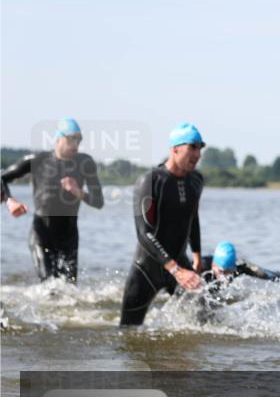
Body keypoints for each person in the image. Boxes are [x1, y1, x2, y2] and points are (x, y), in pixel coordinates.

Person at [119, 123, 205, 326]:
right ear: (175, 149)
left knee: (204, 322)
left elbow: (192, 217)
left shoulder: (196, 181)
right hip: (147, 268)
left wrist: (197, 257)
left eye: (200, 148)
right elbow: (144, 233)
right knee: (128, 333)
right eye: (193, 147)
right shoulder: (150, 181)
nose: (198, 154)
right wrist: (176, 271)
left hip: (181, 265)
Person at [1, 118, 104, 283]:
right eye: (71, 138)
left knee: (69, 290)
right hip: (42, 233)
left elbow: (99, 202)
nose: (75, 144)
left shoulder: (85, 162)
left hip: (69, 236)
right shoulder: (37, 160)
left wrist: (79, 193)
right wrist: (9, 200)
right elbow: (2, 178)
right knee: (49, 285)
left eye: (79, 139)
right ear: (58, 138)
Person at [200, 241, 280, 290]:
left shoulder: (241, 266)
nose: (224, 277)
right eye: (221, 272)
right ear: (213, 264)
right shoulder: (200, 266)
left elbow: (269, 274)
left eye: (229, 272)